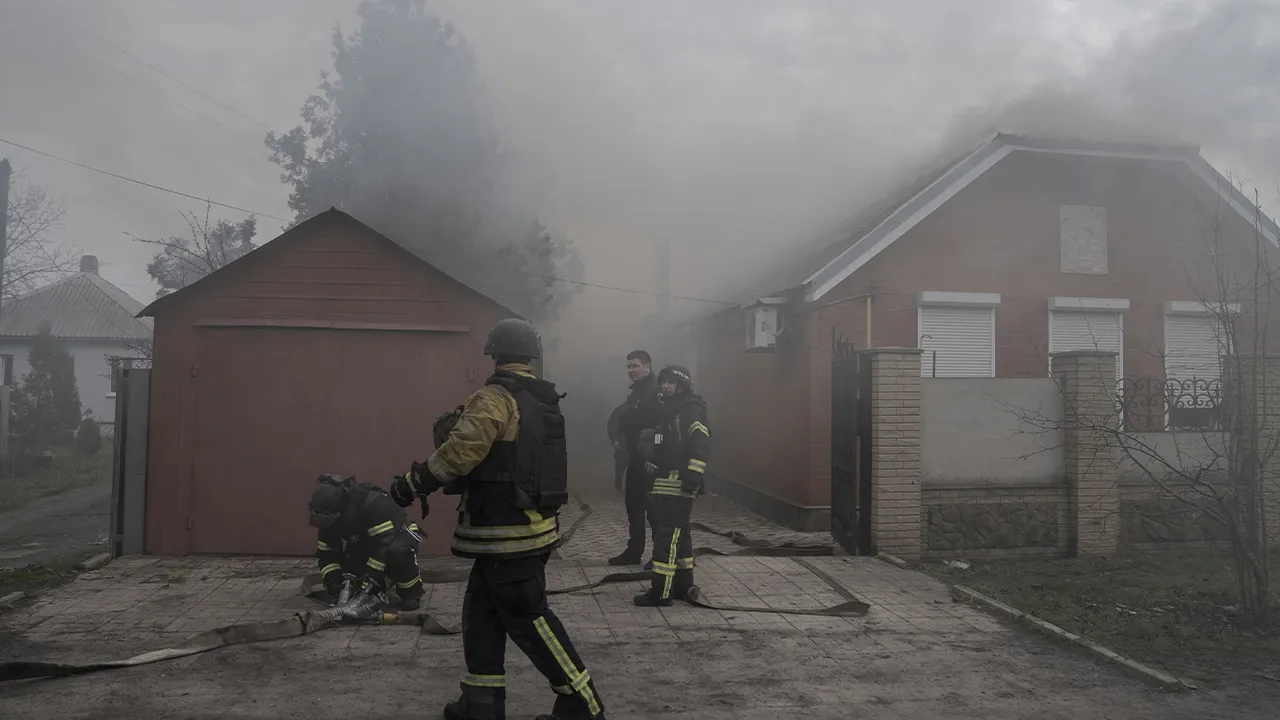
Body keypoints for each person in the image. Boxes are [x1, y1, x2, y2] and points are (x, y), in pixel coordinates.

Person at [389, 318, 606, 720]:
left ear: (494, 354)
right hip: (524, 527)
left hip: (507, 533)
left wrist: (410, 484)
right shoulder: (541, 401)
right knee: (481, 614)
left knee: (529, 617)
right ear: (530, 356)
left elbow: (460, 453)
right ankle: (482, 703)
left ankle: (582, 704)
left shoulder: (494, 399)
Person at [634, 365, 710, 608]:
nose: (665, 386)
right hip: (666, 482)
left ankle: (661, 592)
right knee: (681, 535)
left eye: (671, 382)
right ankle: (682, 585)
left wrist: (691, 480)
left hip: (679, 484)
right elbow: (668, 445)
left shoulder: (690, 411)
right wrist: (654, 462)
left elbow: (700, 445)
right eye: (663, 381)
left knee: (666, 536)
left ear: (681, 386)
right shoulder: (669, 410)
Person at [308, 473, 424, 611]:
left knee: (397, 552)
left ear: (340, 509)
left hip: (397, 536)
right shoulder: (330, 519)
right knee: (353, 582)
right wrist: (334, 581)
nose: (324, 524)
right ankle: (384, 580)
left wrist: (370, 577)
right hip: (366, 542)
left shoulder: (374, 506)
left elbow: (384, 547)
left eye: (326, 519)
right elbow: (327, 554)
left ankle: (411, 593)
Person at [607, 350, 663, 566]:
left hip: (649, 462)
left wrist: (656, 459)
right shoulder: (637, 393)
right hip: (635, 459)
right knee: (634, 507)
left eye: (635, 366)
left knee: (654, 510)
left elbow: (659, 427)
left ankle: (659, 554)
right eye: (628, 367)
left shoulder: (655, 392)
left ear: (647, 367)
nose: (631, 370)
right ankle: (634, 552)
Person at [606, 400, 628, 492]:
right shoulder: (620, 410)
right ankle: (618, 480)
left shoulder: (642, 410)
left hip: (634, 442)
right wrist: (614, 440)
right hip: (622, 441)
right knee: (621, 463)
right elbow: (612, 425)